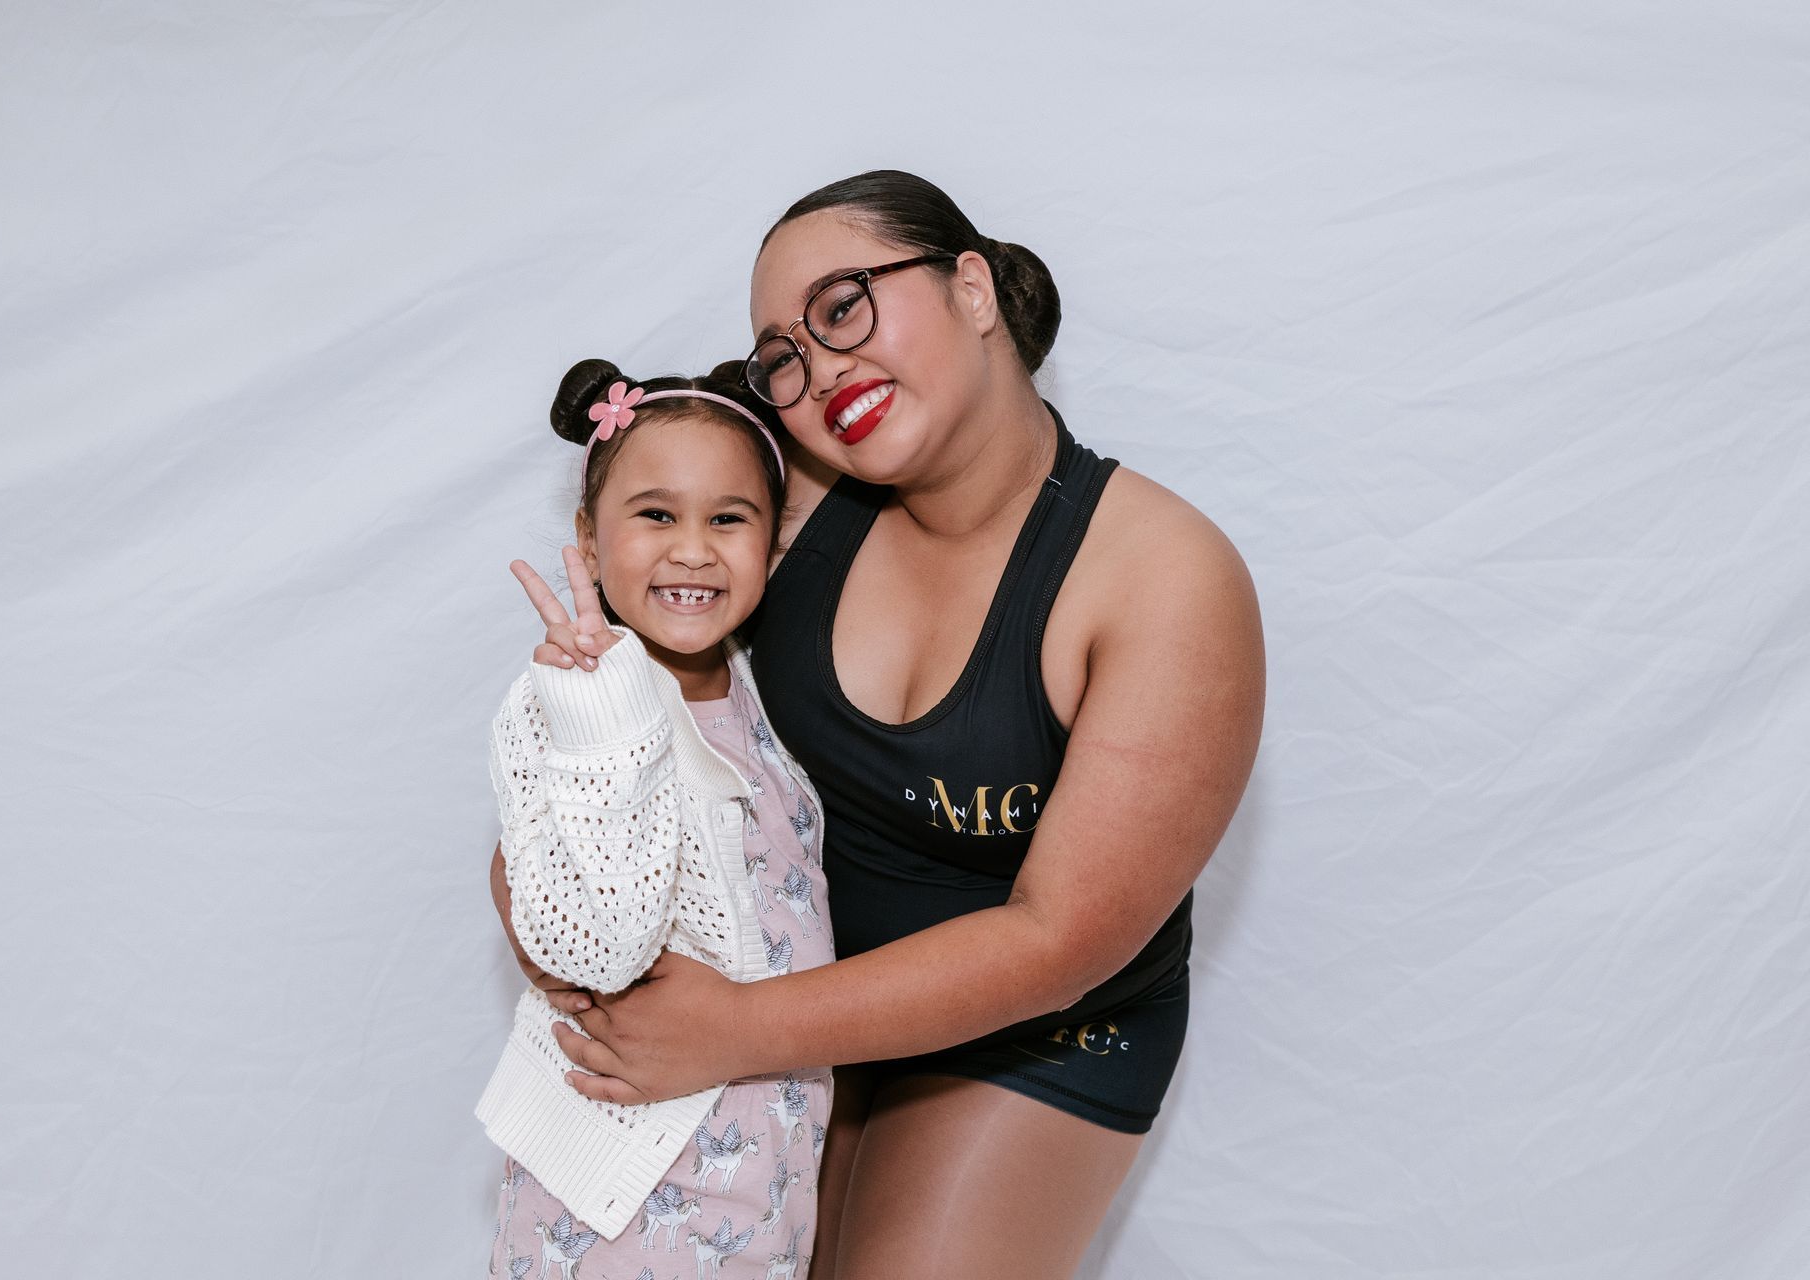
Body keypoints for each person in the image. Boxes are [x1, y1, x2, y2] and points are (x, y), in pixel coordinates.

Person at [496, 171, 1265, 1280]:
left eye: (844, 305)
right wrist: (539, 902)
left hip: (1037, 1026)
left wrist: (733, 1030)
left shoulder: (1163, 579)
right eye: (784, 358)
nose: (821, 368)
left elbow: (1060, 941)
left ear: (971, 287)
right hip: (784, 976)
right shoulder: (784, 495)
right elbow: (620, 718)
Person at [478, 359, 834, 1279]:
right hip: (625, 1182)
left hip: (764, 1173)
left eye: (729, 518)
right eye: (655, 515)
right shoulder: (577, 701)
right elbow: (583, 927)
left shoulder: (757, 697)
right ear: (589, 545)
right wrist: (600, 718)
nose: (692, 549)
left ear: (774, 543)